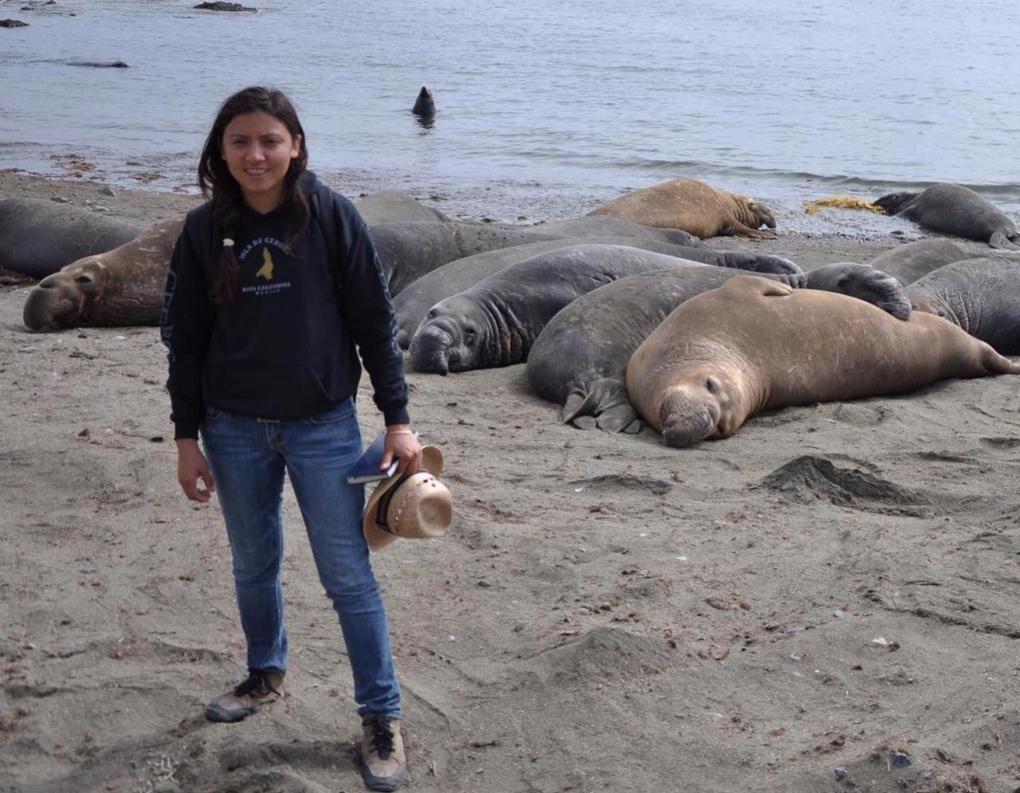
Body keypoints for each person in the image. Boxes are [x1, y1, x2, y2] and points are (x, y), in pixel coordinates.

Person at [160, 85, 419, 793]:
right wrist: (187, 436)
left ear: (296, 145)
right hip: (233, 427)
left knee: (348, 577)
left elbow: (374, 319)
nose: (256, 154)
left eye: (271, 140)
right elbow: (185, 339)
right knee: (254, 564)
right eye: (240, 141)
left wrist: (397, 418)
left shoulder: (332, 215)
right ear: (221, 150)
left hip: (324, 426)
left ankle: (380, 716)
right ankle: (264, 674)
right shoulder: (201, 228)